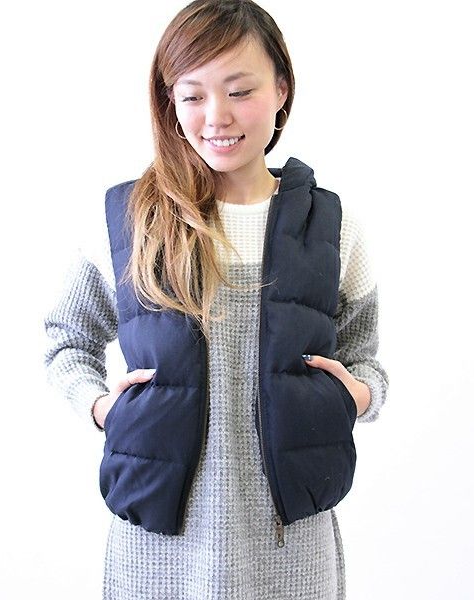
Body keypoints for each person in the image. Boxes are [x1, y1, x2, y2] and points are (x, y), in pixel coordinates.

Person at [43, 0, 389, 598]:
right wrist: (99, 407)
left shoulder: (333, 228)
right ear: (170, 103)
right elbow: (65, 341)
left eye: (240, 90)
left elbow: (367, 362)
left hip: (292, 553)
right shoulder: (132, 221)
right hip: (157, 554)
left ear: (281, 90)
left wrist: (359, 395)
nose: (217, 117)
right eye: (193, 95)